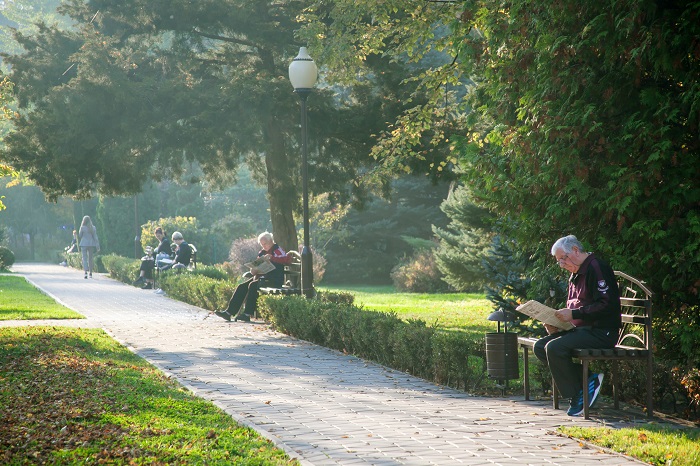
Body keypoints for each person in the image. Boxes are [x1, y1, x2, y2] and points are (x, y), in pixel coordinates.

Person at [533, 234, 621, 416]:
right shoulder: (575, 272)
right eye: (559, 262)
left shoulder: (597, 267)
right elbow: (576, 305)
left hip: (601, 331)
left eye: (562, 259)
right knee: (540, 346)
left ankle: (578, 396)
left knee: (554, 348)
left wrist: (573, 314)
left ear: (575, 250)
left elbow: (607, 304)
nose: (562, 265)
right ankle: (587, 379)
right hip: (581, 329)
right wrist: (557, 323)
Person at [215, 231, 291, 322]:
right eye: (262, 244)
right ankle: (228, 313)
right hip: (262, 277)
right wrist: (254, 270)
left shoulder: (277, 250)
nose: (264, 246)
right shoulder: (262, 252)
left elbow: (286, 260)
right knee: (242, 286)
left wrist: (272, 258)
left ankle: (247, 314)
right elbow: (257, 266)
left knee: (253, 285)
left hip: (274, 279)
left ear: (271, 241)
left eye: (265, 244)